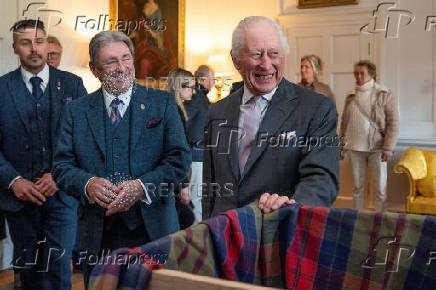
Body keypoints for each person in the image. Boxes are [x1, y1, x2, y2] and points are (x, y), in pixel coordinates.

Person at [52, 31, 191, 288]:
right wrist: (88, 183)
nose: (121, 68)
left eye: (126, 58)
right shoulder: (75, 111)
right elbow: (61, 167)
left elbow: (179, 159)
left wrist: (140, 188)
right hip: (98, 233)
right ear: (94, 69)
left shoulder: (162, 103)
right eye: (111, 61)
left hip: (154, 229)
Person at [202, 16, 339, 219]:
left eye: (273, 53)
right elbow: (210, 186)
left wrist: (292, 208)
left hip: (280, 233)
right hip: (224, 235)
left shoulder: (317, 108)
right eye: (256, 55)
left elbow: (322, 179)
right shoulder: (217, 111)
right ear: (236, 60)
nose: (266, 64)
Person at [0, 19, 87, 289]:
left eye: (38, 41)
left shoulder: (72, 84)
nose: (34, 49)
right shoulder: (1, 88)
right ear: (15, 47)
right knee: (27, 272)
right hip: (18, 198)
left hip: (62, 196)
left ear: (46, 43)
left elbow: (85, 140)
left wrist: (59, 175)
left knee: (58, 268)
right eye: (26, 43)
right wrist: (14, 181)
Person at [340, 60, 399, 212]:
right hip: (354, 147)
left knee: (380, 188)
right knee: (357, 188)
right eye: (356, 73)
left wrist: (388, 149)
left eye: (362, 73)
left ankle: (380, 220)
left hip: (378, 148)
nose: (358, 76)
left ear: (371, 74)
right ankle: (357, 218)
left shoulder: (384, 94)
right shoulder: (351, 95)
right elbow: (344, 122)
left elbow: (394, 123)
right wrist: (341, 145)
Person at [165, 68, 196, 229]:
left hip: (169, 177)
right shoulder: (174, 111)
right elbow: (176, 150)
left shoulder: (168, 106)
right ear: (179, 87)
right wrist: (183, 185)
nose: (193, 91)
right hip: (173, 178)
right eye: (190, 87)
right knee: (186, 219)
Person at [184, 65, 214, 223]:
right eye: (212, 79)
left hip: (199, 156)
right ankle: (196, 237)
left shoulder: (200, 96)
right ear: (203, 79)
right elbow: (184, 121)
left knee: (198, 198)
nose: (214, 82)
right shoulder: (195, 96)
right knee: (197, 199)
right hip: (196, 157)